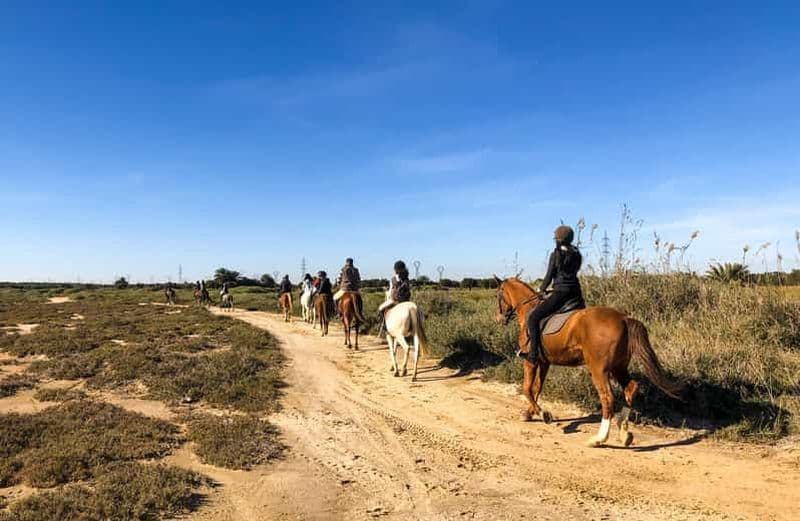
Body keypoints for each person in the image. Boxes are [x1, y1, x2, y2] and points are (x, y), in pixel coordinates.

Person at [524, 225, 584, 364]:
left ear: (558, 239)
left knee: (533, 317)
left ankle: (533, 354)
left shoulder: (556, 254)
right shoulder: (577, 254)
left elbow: (549, 276)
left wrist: (541, 289)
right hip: (576, 293)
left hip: (561, 293)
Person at [378, 260, 412, 337]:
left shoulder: (393, 279)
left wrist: (388, 294)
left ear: (395, 269)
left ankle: (384, 327)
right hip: (406, 300)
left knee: (380, 308)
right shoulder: (406, 278)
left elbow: (391, 291)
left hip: (395, 300)